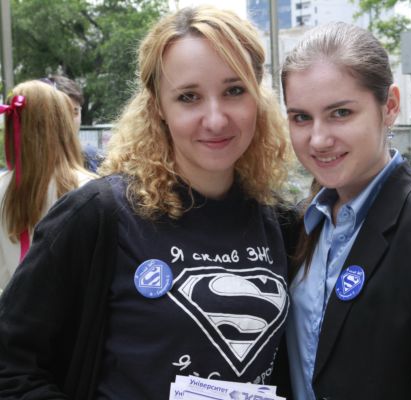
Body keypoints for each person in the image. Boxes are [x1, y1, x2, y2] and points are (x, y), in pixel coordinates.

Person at [0, 6, 291, 399]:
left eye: (234, 90)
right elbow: (11, 365)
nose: (216, 119)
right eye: (189, 97)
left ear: (258, 95)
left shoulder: (283, 223)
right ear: (158, 107)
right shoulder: (97, 215)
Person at [280, 22, 411, 399]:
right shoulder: (297, 225)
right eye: (301, 117)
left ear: (390, 106)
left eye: (340, 113)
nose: (318, 139)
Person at [0, 80, 94, 289]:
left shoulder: (3, 187)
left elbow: (3, 273)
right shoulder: (89, 188)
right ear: (62, 123)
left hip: (18, 304)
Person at [42, 74, 105, 172]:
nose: (69, 120)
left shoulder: (97, 160)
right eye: (61, 113)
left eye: (75, 112)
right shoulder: (28, 164)